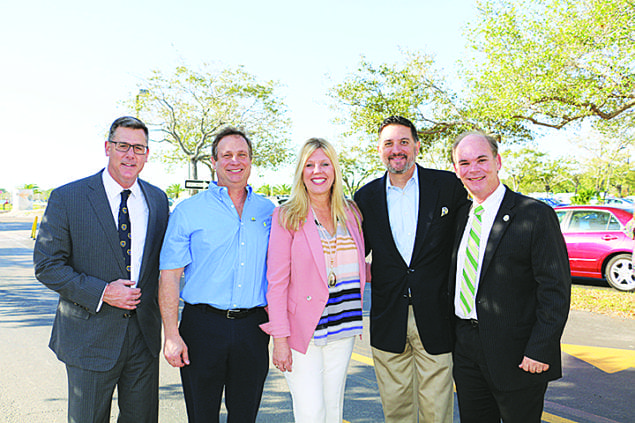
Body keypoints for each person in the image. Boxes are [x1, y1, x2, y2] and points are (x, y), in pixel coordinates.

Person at [33, 116, 169, 422]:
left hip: (143, 337)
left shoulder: (158, 200)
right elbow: (47, 265)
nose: (130, 155)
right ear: (108, 147)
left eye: (139, 148)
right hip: (89, 336)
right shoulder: (68, 198)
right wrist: (103, 292)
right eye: (123, 145)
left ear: (147, 154)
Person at [353, 116, 469, 423]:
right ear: (379, 150)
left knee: (436, 410)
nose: (397, 150)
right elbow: (353, 252)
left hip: (436, 316)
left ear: (417, 146)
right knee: (396, 410)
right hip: (387, 317)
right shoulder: (365, 197)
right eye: (389, 143)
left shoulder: (448, 186)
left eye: (404, 142)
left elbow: (469, 241)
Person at [450, 131, 571, 423]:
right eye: (464, 163)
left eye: (481, 160)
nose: (473, 169)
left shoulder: (534, 214)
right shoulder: (461, 216)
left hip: (519, 355)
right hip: (467, 351)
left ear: (498, 161)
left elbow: (554, 289)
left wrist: (540, 349)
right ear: (456, 170)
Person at [159, 127, 274, 422]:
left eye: (242, 155)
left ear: (250, 161)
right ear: (214, 161)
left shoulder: (269, 211)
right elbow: (170, 277)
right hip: (202, 328)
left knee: (245, 416)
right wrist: (171, 335)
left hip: (253, 328)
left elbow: (280, 272)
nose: (235, 161)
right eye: (227, 155)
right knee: (202, 416)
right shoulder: (188, 211)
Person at [261, 138, 367, 423]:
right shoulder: (287, 215)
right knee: (311, 413)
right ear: (301, 172)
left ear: (334, 169)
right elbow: (277, 283)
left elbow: (354, 268)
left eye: (324, 163)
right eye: (309, 164)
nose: (317, 171)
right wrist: (280, 339)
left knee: (333, 411)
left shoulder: (351, 213)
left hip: (343, 326)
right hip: (303, 332)